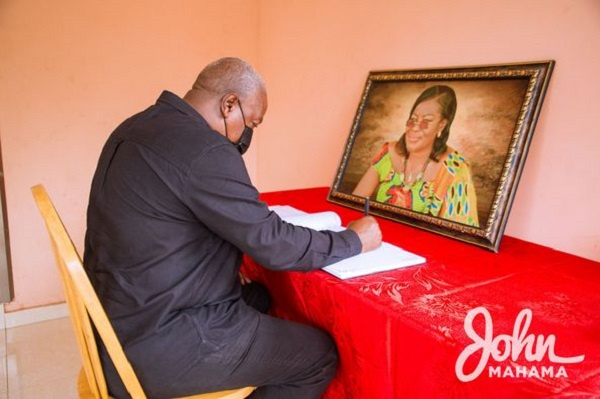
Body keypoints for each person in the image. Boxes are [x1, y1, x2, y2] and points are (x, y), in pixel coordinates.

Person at [83, 57, 381, 399]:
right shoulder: (205, 149)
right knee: (318, 354)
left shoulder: (134, 127)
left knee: (260, 295)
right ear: (229, 105)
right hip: (157, 342)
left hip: (117, 322)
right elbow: (273, 244)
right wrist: (353, 240)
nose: (246, 136)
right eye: (251, 122)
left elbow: (163, 218)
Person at [353, 85, 479, 227]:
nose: (415, 127)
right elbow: (352, 205)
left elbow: (457, 234)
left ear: (441, 125)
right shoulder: (389, 152)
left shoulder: (455, 169)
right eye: (413, 119)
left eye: (426, 121)